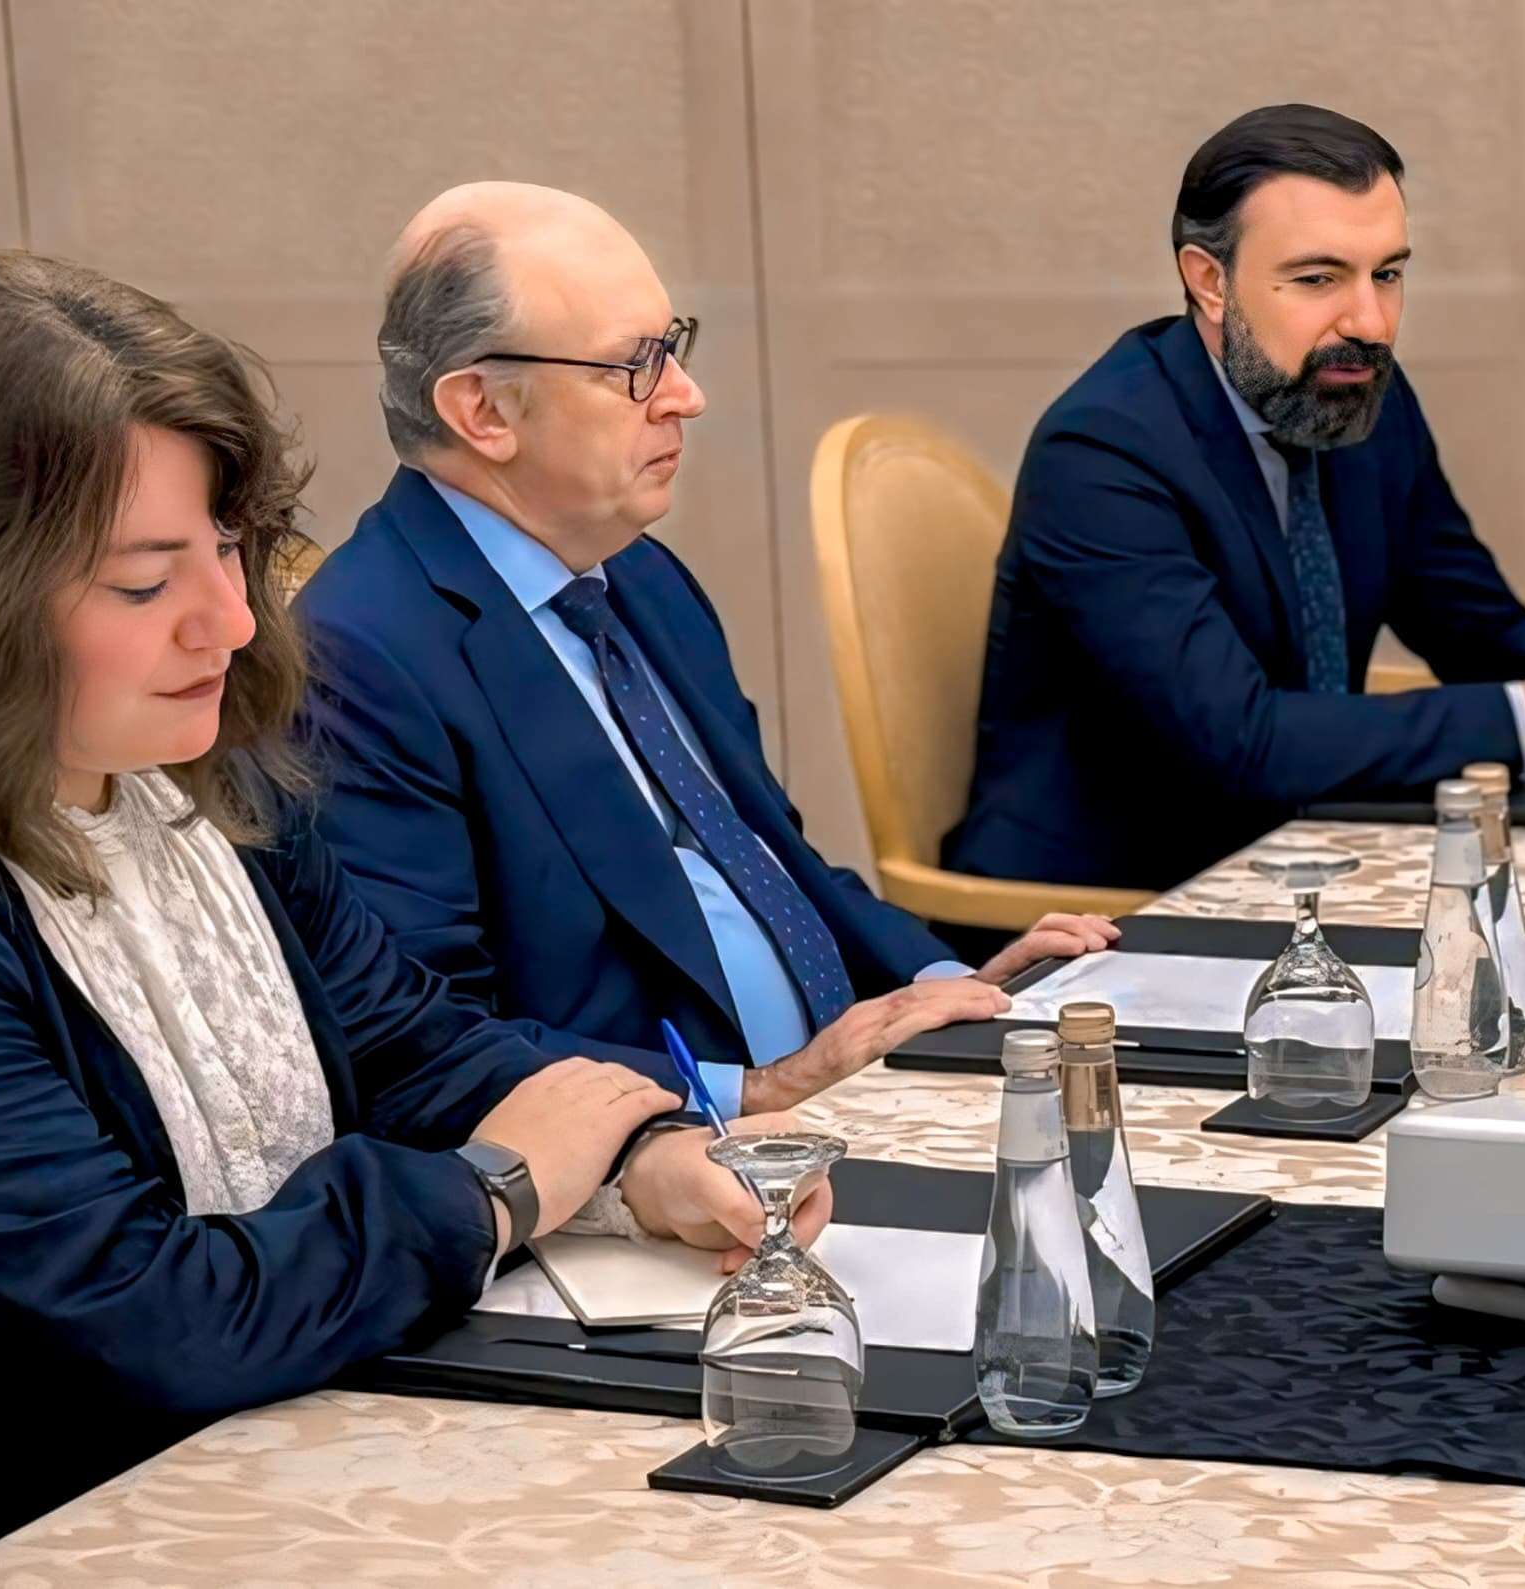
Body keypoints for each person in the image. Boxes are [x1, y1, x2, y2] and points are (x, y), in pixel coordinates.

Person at [0, 251, 817, 1574]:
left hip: (186, 1470)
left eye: (231, 550)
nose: (231, 623)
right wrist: (492, 1190)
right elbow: (144, 1318)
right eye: (144, 584)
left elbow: (401, 1041)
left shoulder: (183, 775)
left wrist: (638, 1150)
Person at [297, 183, 1117, 1121]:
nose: (687, 396)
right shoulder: (360, 657)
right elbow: (423, 1046)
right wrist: (762, 1089)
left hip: (836, 1105)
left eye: (673, 347)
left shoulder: (636, 576)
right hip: (663, 1160)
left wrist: (951, 984)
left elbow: (772, 861)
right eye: (635, 366)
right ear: (484, 410)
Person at [945, 104, 1525, 891]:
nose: (1370, 322)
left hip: (1309, 855)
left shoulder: (1357, 393)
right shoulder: (1102, 451)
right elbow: (1241, 740)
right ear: (1210, 281)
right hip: (1110, 907)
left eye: (1387, 274)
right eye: (1318, 279)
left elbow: (1469, 619)